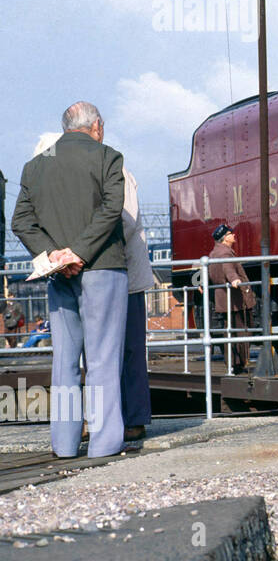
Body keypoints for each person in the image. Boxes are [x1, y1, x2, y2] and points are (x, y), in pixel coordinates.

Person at [10, 102, 127, 458]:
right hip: (102, 266)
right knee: (103, 358)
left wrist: (57, 256)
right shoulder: (108, 157)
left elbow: (21, 221)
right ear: (97, 126)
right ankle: (104, 444)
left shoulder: (35, 167)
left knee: (64, 361)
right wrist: (79, 252)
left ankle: (63, 443)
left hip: (57, 274)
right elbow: (112, 208)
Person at [120, 165, 153, 441]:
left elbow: (126, 222)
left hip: (125, 274)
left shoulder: (116, 168)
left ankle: (135, 418)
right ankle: (128, 417)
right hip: (107, 272)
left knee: (131, 349)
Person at [209, 223, 254, 374]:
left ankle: (232, 364)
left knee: (229, 332)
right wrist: (235, 280)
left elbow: (208, 272)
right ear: (224, 238)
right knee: (240, 331)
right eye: (230, 233)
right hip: (234, 301)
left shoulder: (214, 253)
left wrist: (201, 283)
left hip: (223, 300)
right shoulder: (225, 254)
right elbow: (228, 268)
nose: (234, 235)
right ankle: (238, 365)